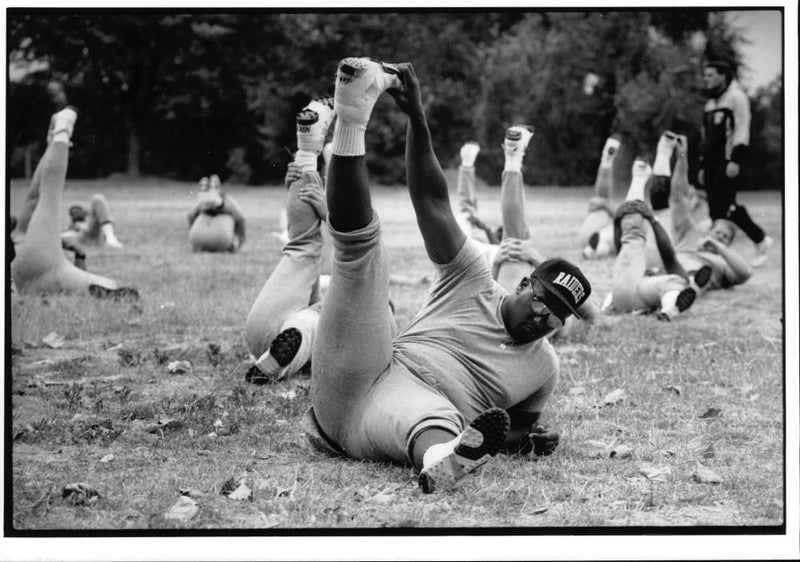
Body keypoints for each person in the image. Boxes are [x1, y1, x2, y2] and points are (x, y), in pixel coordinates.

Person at [304, 57, 591, 493]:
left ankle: (442, 462)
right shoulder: (472, 278)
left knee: (435, 420)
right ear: (523, 282)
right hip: (364, 369)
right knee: (362, 253)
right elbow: (431, 200)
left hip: (402, 415)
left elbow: (510, 430)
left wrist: (526, 441)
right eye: (542, 299)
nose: (544, 316)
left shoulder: (544, 368)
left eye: (557, 315)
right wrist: (417, 118)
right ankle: (351, 116)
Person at [244, 98, 344, 383]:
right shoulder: (320, 191)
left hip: (263, 332)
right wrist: (298, 182)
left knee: (305, 251)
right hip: (296, 318)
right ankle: (305, 155)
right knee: (319, 308)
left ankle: (306, 153)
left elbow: (362, 250)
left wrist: (328, 214)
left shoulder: (341, 205)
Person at [11, 107, 138, 300]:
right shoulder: (23, 235)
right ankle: (62, 131)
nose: (76, 211)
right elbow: (35, 197)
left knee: (44, 200)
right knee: (48, 197)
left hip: (44, 271)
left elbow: (32, 198)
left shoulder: (23, 233)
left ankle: (104, 287)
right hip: (44, 265)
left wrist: (80, 256)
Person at [648, 134, 753, 293]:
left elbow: (746, 273)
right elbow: (678, 196)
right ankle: (668, 282)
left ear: (728, 245)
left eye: (724, 238)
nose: (720, 236)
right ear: (709, 230)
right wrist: (682, 157)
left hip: (691, 280)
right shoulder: (692, 235)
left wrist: (718, 247)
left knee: (690, 279)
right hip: (671, 269)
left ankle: (685, 285)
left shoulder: (722, 262)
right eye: (718, 232)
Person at [601, 157, 698, 321]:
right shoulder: (656, 265)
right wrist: (648, 220)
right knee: (633, 235)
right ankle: (670, 307)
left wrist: (622, 221)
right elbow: (624, 251)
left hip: (625, 293)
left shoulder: (671, 268)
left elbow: (667, 255)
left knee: (633, 235)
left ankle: (668, 307)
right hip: (630, 288)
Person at [698, 60, 773, 267]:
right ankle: (716, 252)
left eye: (711, 75)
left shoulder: (737, 97)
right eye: (705, 75)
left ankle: (760, 239)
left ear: (723, 76)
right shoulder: (711, 103)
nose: (707, 79)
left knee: (728, 207)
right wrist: (703, 165)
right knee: (715, 208)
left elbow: (742, 128)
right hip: (711, 164)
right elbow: (706, 137)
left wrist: (735, 159)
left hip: (728, 160)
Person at [187, 174, 247, 252]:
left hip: (200, 238)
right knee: (191, 215)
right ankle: (197, 239)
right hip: (215, 230)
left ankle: (236, 242)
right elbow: (240, 218)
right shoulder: (209, 198)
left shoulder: (222, 198)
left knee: (239, 218)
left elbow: (191, 215)